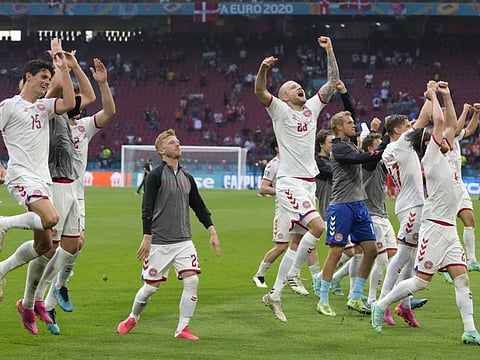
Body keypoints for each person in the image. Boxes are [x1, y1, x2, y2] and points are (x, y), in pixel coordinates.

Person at [371, 81, 480, 346]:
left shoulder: (447, 154)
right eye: (442, 136)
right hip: (431, 225)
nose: (448, 138)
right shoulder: (430, 157)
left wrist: (448, 95)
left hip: (447, 230)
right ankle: (381, 303)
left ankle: (469, 330)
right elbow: (439, 120)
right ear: (432, 141)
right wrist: (433, 95)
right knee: (419, 279)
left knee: (462, 278)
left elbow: (450, 124)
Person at [254, 36, 339, 322]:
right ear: (284, 96)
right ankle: (292, 274)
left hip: (309, 183)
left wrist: (329, 51)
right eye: (292, 87)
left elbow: (332, 82)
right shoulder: (279, 110)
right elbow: (259, 91)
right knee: (318, 226)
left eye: (299, 85)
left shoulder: (312, 108)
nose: (298, 88)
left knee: (297, 242)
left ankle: (275, 294)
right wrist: (264, 69)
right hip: (290, 181)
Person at [117, 129, 221, 340]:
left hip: (184, 241)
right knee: (150, 288)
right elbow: (146, 208)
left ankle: (182, 328)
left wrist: (212, 230)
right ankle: (133, 317)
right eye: (173, 143)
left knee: (192, 281)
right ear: (161, 150)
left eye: (178, 142)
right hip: (160, 243)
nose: (178, 145)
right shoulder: (155, 176)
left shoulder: (187, 178)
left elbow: (199, 206)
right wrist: (147, 237)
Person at [0, 51, 75, 334]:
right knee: (51, 218)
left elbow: (69, 102)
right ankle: (4, 223)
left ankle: (2, 270)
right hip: (21, 175)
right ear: (28, 77)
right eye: (43, 77)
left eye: (49, 78)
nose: (47, 82)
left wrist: (64, 70)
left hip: (42, 181)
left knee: (45, 247)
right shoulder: (9, 106)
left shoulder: (43, 108)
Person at [41, 56, 115, 335]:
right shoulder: (50, 121)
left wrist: (98, 80)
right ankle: (40, 298)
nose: (79, 102)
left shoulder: (83, 127)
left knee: (76, 244)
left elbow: (106, 109)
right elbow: (73, 96)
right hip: (55, 185)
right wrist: (62, 69)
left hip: (77, 190)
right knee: (53, 249)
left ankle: (53, 295)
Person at [375, 83, 433, 327]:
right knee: (401, 257)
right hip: (412, 206)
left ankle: (405, 306)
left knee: (411, 258)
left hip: (409, 203)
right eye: (407, 126)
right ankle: (384, 303)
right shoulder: (401, 144)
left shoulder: (390, 148)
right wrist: (431, 93)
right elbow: (425, 117)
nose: (411, 128)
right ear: (398, 130)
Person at [316, 110, 383, 317]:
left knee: (371, 250)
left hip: (358, 205)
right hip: (341, 207)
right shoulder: (339, 148)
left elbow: (366, 159)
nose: (354, 124)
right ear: (339, 127)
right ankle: (323, 300)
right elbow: (359, 158)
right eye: (349, 122)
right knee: (336, 252)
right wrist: (386, 148)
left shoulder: (350, 143)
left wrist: (344, 93)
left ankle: (355, 296)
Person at [252, 138, 320, 289]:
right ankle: (259, 274)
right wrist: (284, 191)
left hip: (297, 207)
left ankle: (316, 281)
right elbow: (263, 188)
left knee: (309, 240)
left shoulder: (294, 163)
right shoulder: (274, 165)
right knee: (281, 246)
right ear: (277, 148)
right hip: (283, 208)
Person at [451, 103, 480, 272]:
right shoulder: (442, 135)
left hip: (459, 185)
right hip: (445, 188)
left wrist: (476, 113)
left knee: (469, 221)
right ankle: (445, 265)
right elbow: (457, 128)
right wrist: (465, 110)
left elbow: (468, 130)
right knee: (447, 228)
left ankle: (472, 260)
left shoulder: (454, 137)